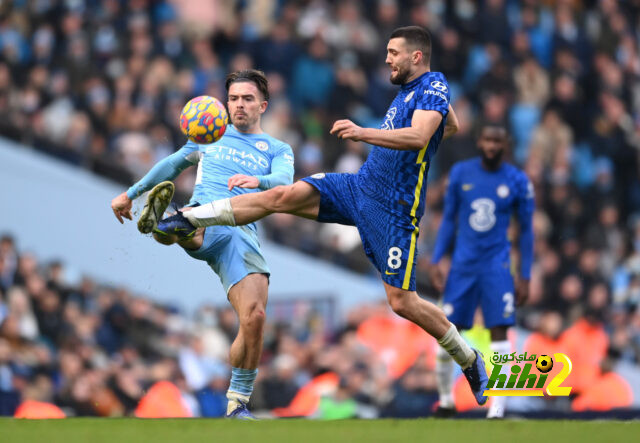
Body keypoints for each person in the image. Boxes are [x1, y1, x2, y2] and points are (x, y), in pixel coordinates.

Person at [159, 26, 490, 408]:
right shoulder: (415, 92)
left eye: (393, 52)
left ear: (416, 56)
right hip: (359, 187)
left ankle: (469, 359)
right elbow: (450, 126)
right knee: (281, 195)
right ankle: (193, 217)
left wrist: (363, 132)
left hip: (393, 210)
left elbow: (419, 137)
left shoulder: (433, 85)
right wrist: (429, 135)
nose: (387, 59)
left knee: (402, 302)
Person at [110, 69, 295, 420]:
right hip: (205, 217)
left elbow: (284, 182)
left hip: (242, 234)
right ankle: (174, 224)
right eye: (234, 98)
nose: (239, 105)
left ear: (263, 106)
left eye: (247, 99)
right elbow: (171, 164)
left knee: (254, 318)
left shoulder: (277, 148)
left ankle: (237, 403)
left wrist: (258, 179)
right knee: (193, 223)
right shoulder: (210, 135)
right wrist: (130, 193)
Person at [429, 124, 535, 418]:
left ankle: (497, 409)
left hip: (496, 265)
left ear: (506, 144)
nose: (491, 145)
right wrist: (438, 259)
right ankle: (446, 400)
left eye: (497, 140)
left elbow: (526, 232)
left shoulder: (517, 180)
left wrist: (525, 275)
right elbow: (449, 219)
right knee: (447, 329)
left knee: (499, 330)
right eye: (487, 139)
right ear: (479, 142)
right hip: (463, 265)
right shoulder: (461, 173)